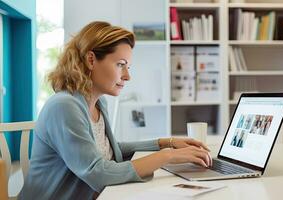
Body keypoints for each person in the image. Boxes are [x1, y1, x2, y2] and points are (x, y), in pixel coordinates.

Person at [19, 21, 212, 200]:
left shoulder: (98, 103)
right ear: (91, 60)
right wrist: (167, 156)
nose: (127, 76)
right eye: (120, 65)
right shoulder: (64, 107)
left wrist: (166, 143)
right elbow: (98, 173)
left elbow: (111, 150)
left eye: (128, 66)